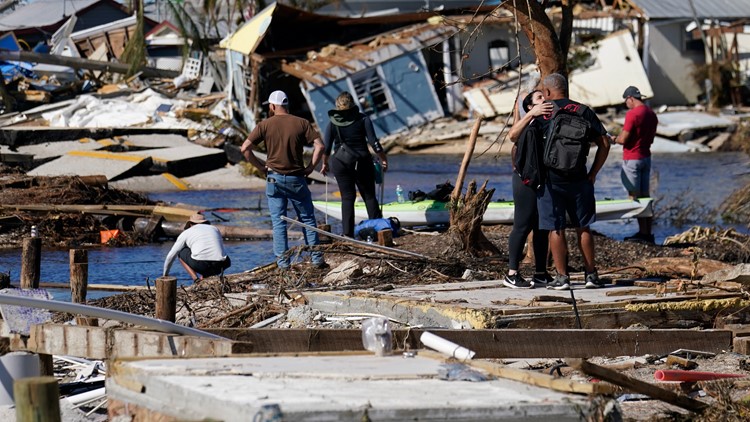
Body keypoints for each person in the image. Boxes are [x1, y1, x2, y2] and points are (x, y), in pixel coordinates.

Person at [537, 73, 610, 290]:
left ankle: (562, 278)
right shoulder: (583, 111)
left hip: (550, 180)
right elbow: (604, 143)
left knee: (555, 228)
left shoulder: (544, 112)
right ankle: (591, 275)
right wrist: (593, 173)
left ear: (548, 92)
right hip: (580, 178)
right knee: (583, 227)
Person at [240, 90, 327, 269]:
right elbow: (320, 146)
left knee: (278, 222)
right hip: (297, 178)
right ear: (287, 105)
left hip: (274, 179)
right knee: (308, 219)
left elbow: (245, 149)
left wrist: (261, 166)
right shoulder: (302, 123)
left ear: (272, 106)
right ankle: (317, 259)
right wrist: (310, 167)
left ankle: (283, 264)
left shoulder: (264, 125)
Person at [503, 89, 554, 289]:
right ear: (530, 107)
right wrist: (530, 114)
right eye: (539, 98)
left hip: (542, 181)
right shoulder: (529, 122)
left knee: (542, 228)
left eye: (545, 96)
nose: (544, 100)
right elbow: (512, 135)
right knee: (522, 225)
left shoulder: (547, 122)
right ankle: (512, 274)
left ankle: (541, 272)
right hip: (524, 181)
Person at [322, 91, 388, 238]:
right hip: (361, 162)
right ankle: (378, 231)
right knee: (369, 196)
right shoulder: (363, 119)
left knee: (347, 197)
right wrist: (383, 159)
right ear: (352, 104)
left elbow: (326, 148)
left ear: (337, 106)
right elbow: (374, 143)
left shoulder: (332, 122)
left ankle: (347, 235)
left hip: (339, 162)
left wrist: (324, 164)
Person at [615, 86, 657, 244]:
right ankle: (647, 233)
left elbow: (623, 139)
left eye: (626, 101)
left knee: (635, 197)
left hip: (632, 158)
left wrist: (614, 138)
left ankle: (642, 233)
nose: (626, 104)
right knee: (646, 196)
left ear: (630, 98)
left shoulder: (632, 114)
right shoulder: (651, 114)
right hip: (646, 157)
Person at [163, 213, 230, 282]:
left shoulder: (186, 232)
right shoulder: (215, 229)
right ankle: (206, 276)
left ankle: (196, 279)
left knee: (181, 252)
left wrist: (165, 275)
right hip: (222, 264)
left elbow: (171, 256)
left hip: (202, 265)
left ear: (190, 224)